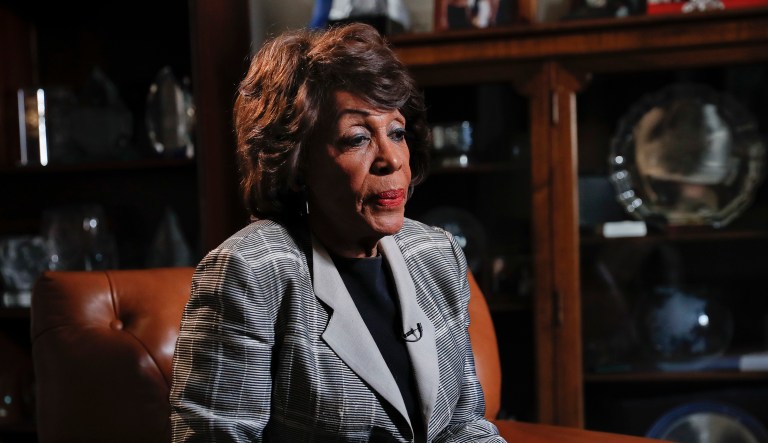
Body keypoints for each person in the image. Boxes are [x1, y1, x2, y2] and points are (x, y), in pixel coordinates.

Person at [169, 22, 505, 443]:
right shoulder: (251, 271)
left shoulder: (435, 254)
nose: (390, 159)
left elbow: (461, 423)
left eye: (396, 132)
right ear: (296, 162)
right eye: (358, 138)